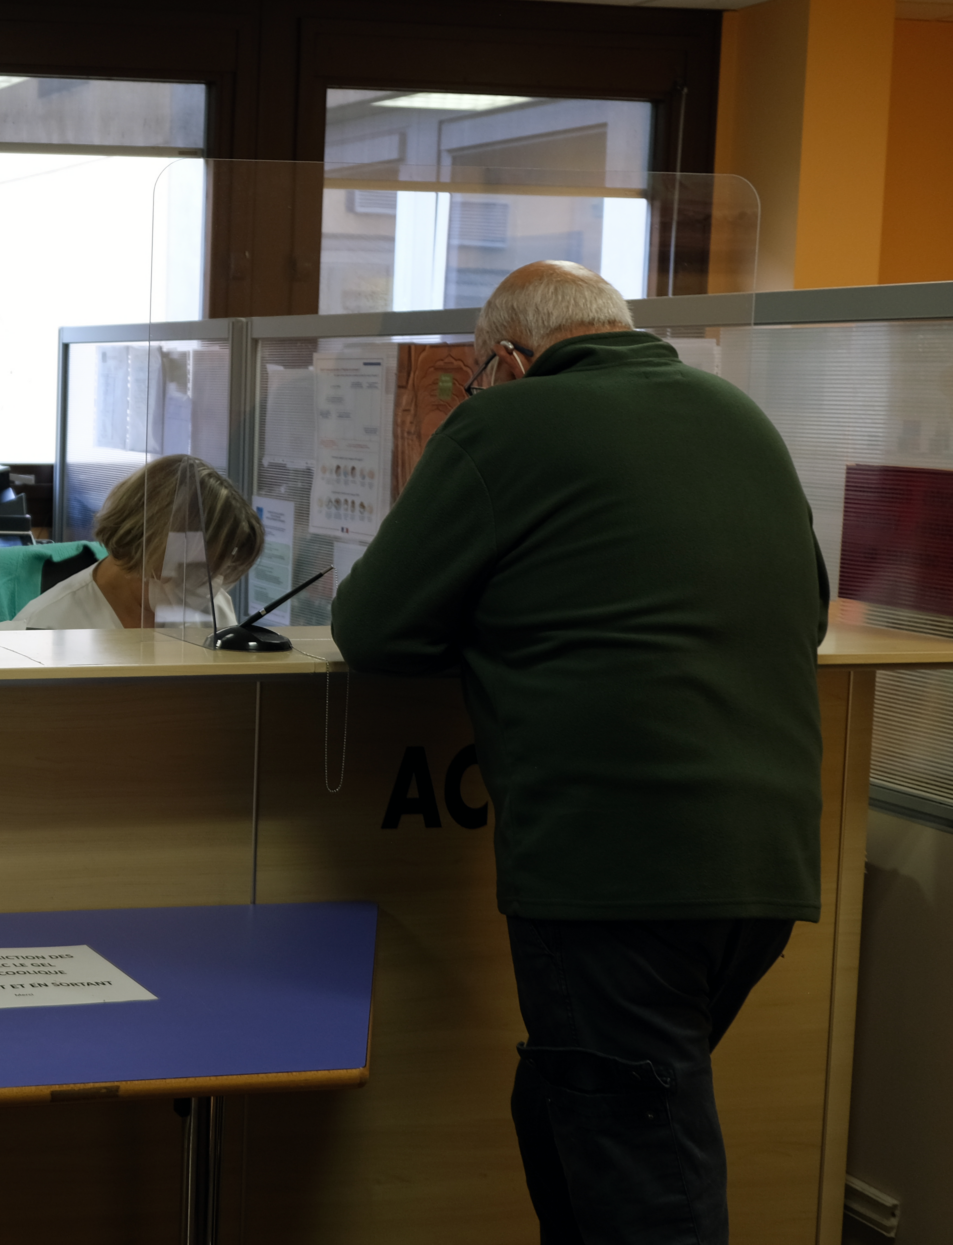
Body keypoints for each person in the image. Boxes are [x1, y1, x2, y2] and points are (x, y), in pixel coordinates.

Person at [330, 260, 825, 1245]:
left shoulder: (505, 425)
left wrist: (494, 631)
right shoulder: (740, 418)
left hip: (613, 874)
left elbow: (373, 627)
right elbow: (804, 613)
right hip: (765, 871)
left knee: (645, 1183)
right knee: (570, 1116)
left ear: (510, 360)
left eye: (477, 375)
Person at [8, 453, 262, 630]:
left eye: (215, 570)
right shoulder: (47, 625)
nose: (208, 585)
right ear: (144, 545)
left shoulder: (213, 608)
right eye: (194, 566)